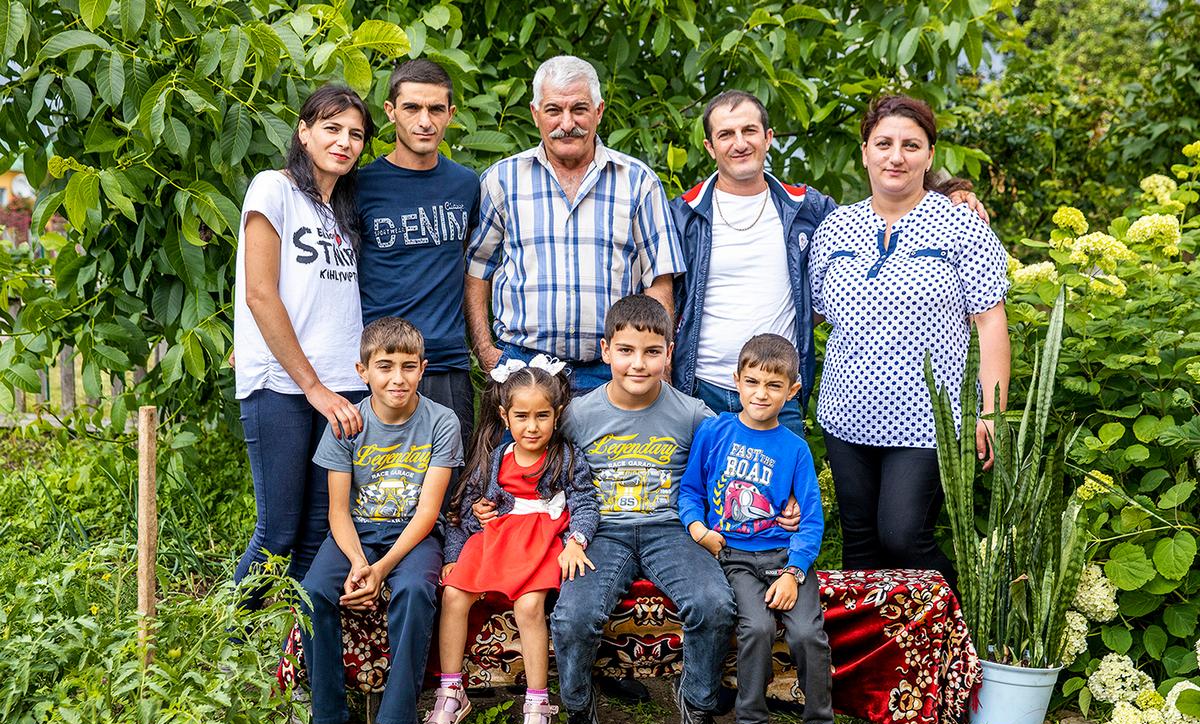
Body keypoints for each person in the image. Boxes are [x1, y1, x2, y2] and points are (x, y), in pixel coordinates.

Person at [672, 90, 992, 437]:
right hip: (699, 390)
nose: (739, 143)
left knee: (781, 494)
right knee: (694, 493)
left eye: (749, 131)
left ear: (768, 138)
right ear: (709, 146)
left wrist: (950, 196)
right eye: (726, 135)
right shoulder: (682, 215)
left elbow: (885, 213)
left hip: (779, 394)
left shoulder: (809, 209)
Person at [809, 94, 1011, 579]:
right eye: (883, 143)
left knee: (902, 536)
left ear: (929, 155)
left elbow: (991, 325)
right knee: (860, 545)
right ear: (865, 152)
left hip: (925, 420)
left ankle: (963, 636)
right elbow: (813, 313)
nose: (895, 156)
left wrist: (992, 413)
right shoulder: (834, 227)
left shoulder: (962, 224)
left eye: (910, 145)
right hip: (845, 416)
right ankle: (873, 656)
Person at [546, 294, 735, 724]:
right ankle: (578, 707)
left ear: (669, 353)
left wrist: (784, 501)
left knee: (714, 603)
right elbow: (539, 468)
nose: (639, 363)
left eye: (652, 352)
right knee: (572, 616)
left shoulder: (692, 413)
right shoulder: (577, 415)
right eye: (626, 350)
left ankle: (696, 703)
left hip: (670, 530)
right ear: (606, 350)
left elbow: (736, 463)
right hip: (599, 534)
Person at [299, 318, 463, 724]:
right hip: (355, 534)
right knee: (313, 594)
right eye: (385, 366)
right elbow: (336, 512)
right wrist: (357, 563)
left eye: (409, 367)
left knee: (414, 591)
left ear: (423, 369)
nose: (398, 378)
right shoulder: (347, 424)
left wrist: (382, 569)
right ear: (362, 371)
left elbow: (428, 513)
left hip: (411, 536)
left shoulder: (440, 422)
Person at [678, 334, 845, 724]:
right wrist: (700, 529)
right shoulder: (714, 432)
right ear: (736, 381)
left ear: (792, 391)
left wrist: (794, 572)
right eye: (751, 382)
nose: (760, 393)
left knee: (809, 634)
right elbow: (690, 491)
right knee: (755, 628)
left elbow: (810, 520)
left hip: (785, 558)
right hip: (732, 557)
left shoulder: (795, 448)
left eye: (773, 385)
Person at [464, 55, 684, 394]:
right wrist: (486, 352)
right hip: (521, 368)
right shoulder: (502, 180)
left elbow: (659, 280)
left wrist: (659, 362)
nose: (567, 123)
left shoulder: (639, 182)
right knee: (513, 452)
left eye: (579, 109)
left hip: (613, 370)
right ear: (536, 114)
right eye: (554, 110)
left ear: (598, 111)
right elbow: (478, 270)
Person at [232, 85, 374, 602]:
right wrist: (312, 387)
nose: (344, 142)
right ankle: (226, 647)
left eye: (355, 134)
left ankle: (294, 655)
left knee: (321, 535)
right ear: (304, 132)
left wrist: (335, 387)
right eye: (332, 128)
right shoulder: (273, 188)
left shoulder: (342, 210)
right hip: (285, 388)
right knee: (278, 534)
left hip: (342, 387)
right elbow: (259, 294)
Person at [424, 358, 599, 724]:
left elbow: (586, 503)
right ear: (505, 416)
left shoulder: (565, 456)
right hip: (497, 539)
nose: (532, 426)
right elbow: (466, 509)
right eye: (521, 416)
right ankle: (451, 689)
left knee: (529, 605)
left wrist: (577, 540)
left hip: (542, 542)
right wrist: (457, 548)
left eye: (542, 416)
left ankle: (537, 704)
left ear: (557, 416)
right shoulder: (496, 457)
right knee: (454, 594)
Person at [356, 58, 480, 444]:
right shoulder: (359, 185)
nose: (424, 121)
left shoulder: (466, 185)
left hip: (447, 364)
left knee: (454, 495)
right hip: (382, 365)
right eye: (412, 107)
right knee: (381, 494)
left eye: (436, 109)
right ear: (391, 111)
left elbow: (475, 264)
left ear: (451, 114)